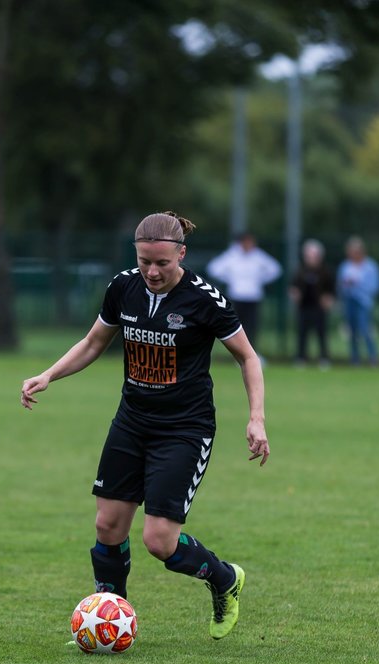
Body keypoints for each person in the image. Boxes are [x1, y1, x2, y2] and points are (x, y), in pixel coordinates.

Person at [21, 211, 269, 640]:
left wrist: (256, 419)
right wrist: (49, 374)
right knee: (108, 526)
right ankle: (110, 620)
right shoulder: (123, 287)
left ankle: (225, 579)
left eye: (162, 264)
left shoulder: (205, 300)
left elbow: (248, 357)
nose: (152, 272)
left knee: (159, 541)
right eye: (144, 262)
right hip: (132, 421)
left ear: (181, 255)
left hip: (185, 429)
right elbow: (94, 342)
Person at [206, 231, 281, 354]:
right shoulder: (232, 255)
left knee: (252, 326)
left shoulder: (258, 256)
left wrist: (259, 280)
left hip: (253, 296)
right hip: (237, 296)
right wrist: (230, 279)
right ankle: (239, 353)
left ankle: (252, 353)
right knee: (237, 327)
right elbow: (214, 268)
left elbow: (275, 269)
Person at [289, 238, 335, 367]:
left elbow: (331, 289)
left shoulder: (325, 272)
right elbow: (293, 287)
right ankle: (301, 358)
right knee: (302, 333)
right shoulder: (300, 271)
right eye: (308, 255)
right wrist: (294, 294)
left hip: (319, 308)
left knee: (321, 333)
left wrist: (328, 299)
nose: (310, 258)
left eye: (313, 255)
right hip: (304, 307)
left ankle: (324, 358)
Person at [337, 236, 379, 365]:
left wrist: (358, 285)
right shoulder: (345, 266)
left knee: (365, 329)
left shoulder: (371, 266)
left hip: (364, 301)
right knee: (352, 331)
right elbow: (340, 284)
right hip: (349, 300)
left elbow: (375, 286)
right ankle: (354, 358)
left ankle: (373, 357)